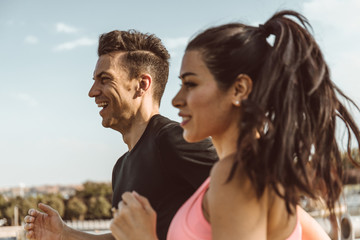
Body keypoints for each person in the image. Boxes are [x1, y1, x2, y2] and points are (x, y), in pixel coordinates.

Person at [109, 10, 360, 240]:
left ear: (239, 89)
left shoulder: (236, 176)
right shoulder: (249, 170)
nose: (176, 99)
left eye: (191, 84)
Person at [23, 30, 218, 240]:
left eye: (105, 79)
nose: (92, 91)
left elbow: (248, 200)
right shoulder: (120, 167)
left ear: (142, 85)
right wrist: (64, 234)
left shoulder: (172, 139)